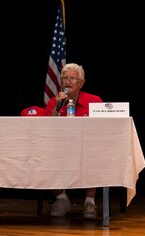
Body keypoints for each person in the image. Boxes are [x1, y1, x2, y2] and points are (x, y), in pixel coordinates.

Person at [45, 63, 103, 219]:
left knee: (95, 155)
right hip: (60, 148)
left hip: (87, 147)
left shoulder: (94, 101)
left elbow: (102, 129)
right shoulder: (54, 102)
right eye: (65, 78)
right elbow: (46, 129)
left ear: (81, 83)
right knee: (45, 156)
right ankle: (62, 199)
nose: (68, 81)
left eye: (72, 78)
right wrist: (57, 107)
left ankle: (90, 202)